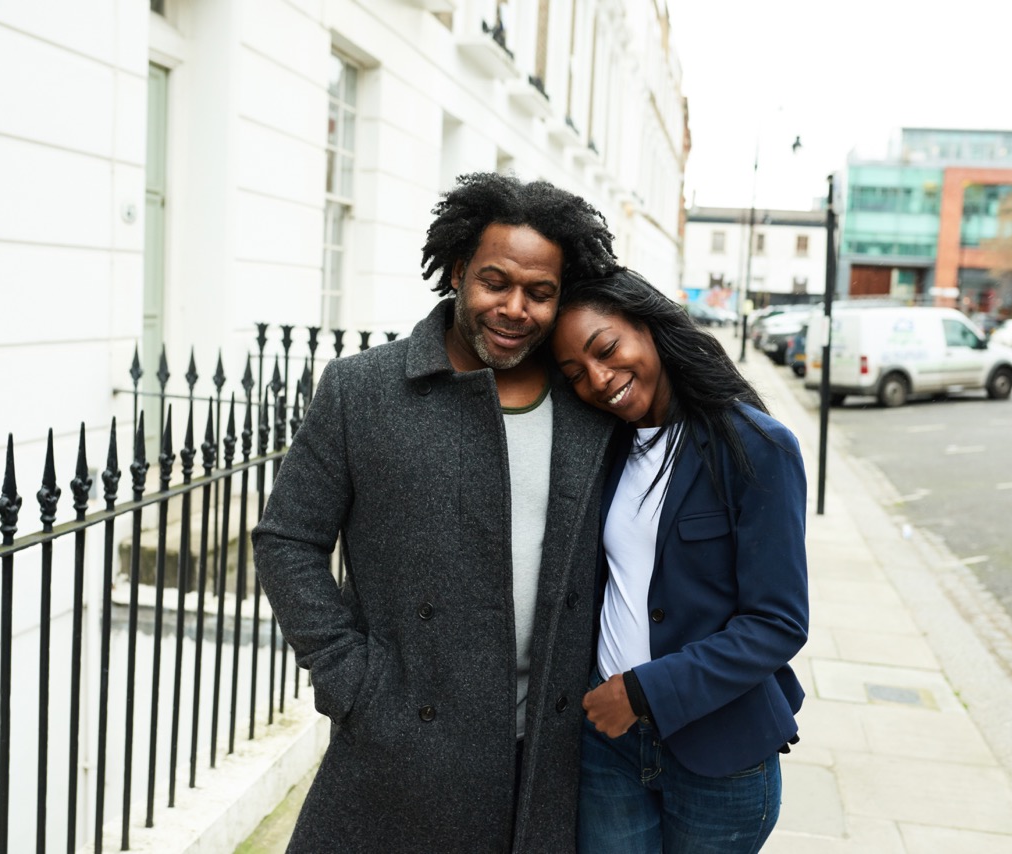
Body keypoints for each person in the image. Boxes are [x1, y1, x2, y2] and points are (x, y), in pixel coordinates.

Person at [253, 172, 619, 853]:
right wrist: (350, 681)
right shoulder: (363, 391)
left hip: (545, 756)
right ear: (456, 272)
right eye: (495, 282)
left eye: (540, 293)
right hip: (401, 751)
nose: (516, 308)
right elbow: (287, 539)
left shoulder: (587, 408)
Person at [550, 269, 809, 854]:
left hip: (718, 753)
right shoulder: (601, 448)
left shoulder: (757, 448)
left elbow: (778, 623)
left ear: (650, 327)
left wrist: (642, 693)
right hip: (608, 747)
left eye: (607, 349)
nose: (598, 379)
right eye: (575, 374)